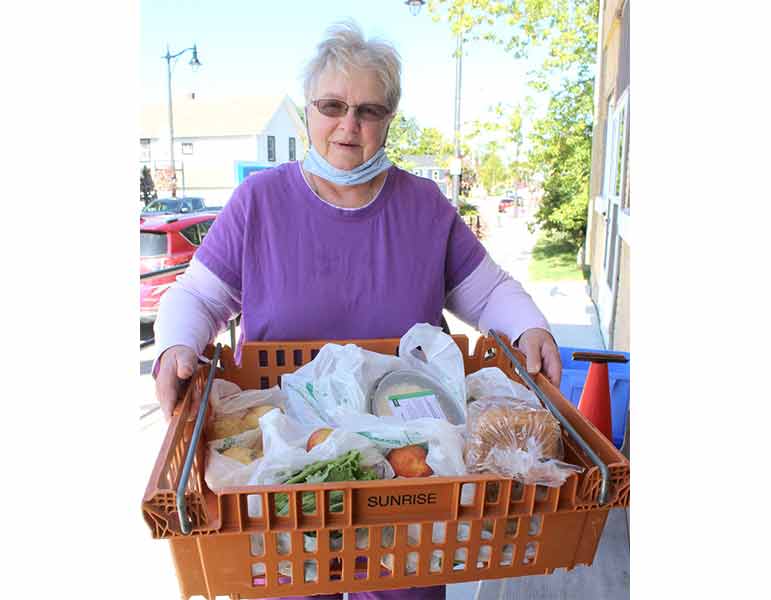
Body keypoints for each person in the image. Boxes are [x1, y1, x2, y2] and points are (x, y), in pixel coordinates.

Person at [153, 21, 561, 600]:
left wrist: (530, 326)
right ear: (308, 112)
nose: (349, 125)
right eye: (332, 105)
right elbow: (198, 295)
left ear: (390, 119)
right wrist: (176, 346)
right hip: (288, 468)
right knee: (294, 585)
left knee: (406, 588)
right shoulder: (259, 203)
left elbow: (489, 292)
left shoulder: (424, 206)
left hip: (408, 471)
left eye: (369, 110)